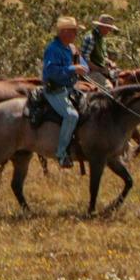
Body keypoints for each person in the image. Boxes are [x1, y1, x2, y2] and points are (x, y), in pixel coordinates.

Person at [41, 15, 89, 168]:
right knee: (71, 115)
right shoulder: (53, 49)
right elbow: (50, 72)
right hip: (55, 90)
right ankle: (61, 154)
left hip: (70, 89)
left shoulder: (72, 49)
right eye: (74, 31)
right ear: (64, 32)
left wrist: (82, 68)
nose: (76, 35)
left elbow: (84, 65)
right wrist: (73, 69)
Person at [81, 16, 120, 87]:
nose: (109, 31)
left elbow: (103, 56)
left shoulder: (102, 39)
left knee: (121, 79)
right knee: (109, 88)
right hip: (90, 72)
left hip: (101, 69)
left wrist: (110, 62)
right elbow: (84, 59)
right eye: (108, 28)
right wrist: (99, 69)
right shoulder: (91, 38)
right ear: (102, 27)